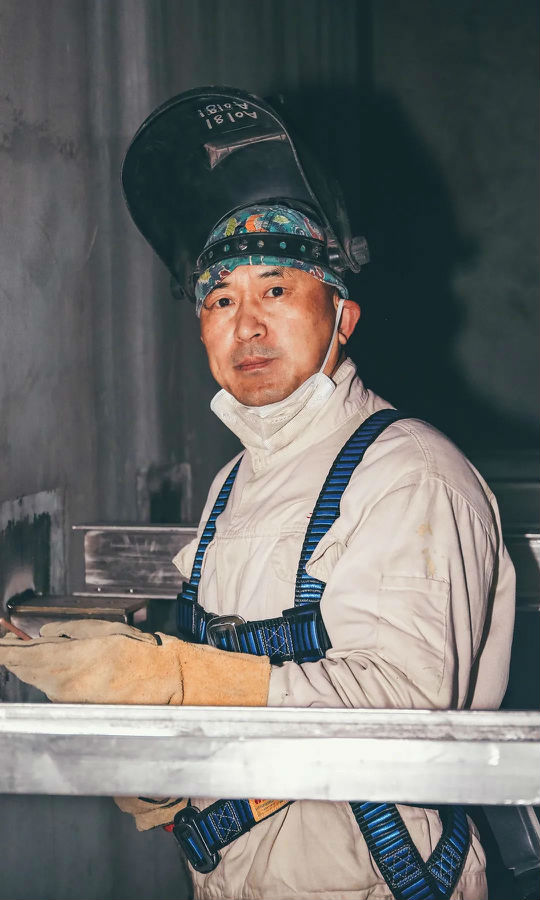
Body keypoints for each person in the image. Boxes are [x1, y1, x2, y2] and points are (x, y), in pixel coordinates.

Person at [0, 89, 515, 900]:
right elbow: (224, 676)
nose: (246, 325)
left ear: (342, 315)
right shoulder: (234, 482)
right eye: (220, 299)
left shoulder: (409, 473)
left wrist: (171, 681)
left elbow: (405, 712)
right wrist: (153, 754)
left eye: (276, 290)